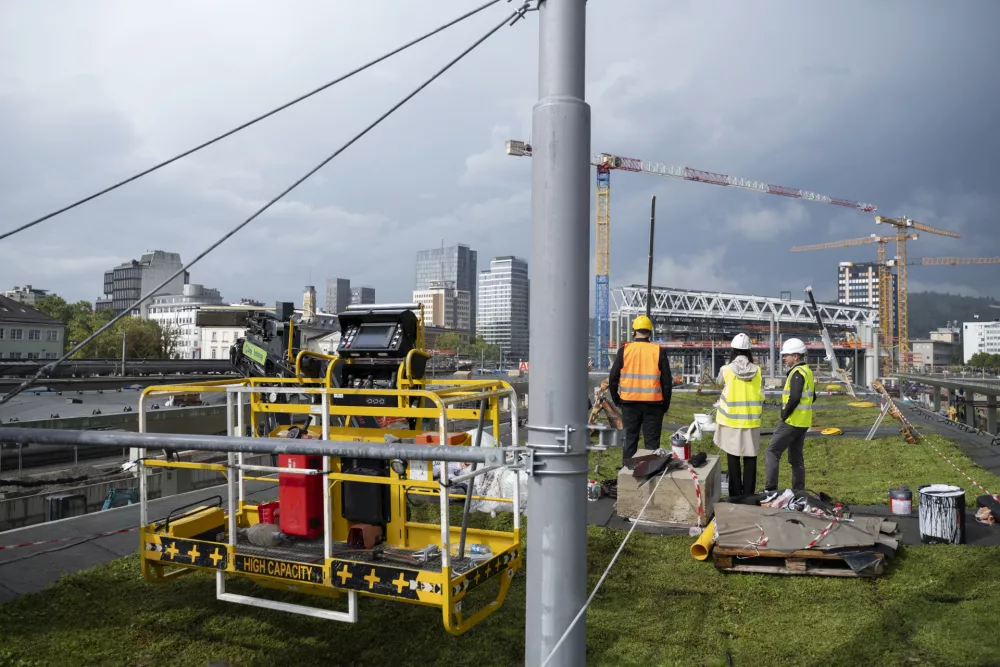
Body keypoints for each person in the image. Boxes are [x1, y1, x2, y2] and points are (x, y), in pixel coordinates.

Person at [609, 315, 672, 464]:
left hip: (629, 404)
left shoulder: (624, 350)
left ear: (634, 332)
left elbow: (613, 378)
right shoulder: (658, 351)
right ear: (650, 333)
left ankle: (628, 475)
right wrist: (665, 404)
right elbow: (667, 383)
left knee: (630, 440)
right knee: (651, 444)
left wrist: (616, 399)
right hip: (653, 405)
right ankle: (650, 476)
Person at [714, 333, 763, 498]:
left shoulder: (726, 370)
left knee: (733, 457)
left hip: (731, 421)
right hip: (751, 421)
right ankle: (749, 495)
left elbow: (719, 382)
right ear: (749, 351)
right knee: (750, 457)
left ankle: (735, 494)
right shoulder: (757, 371)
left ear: (733, 351)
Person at [764, 338, 816, 492]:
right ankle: (798, 491)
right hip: (803, 422)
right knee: (796, 458)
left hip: (792, 421)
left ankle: (770, 490)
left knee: (772, 451)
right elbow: (812, 397)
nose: (784, 358)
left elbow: (794, 397)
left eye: (786, 355)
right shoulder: (807, 371)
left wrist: (784, 414)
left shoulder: (797, 372)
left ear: (796, 356)